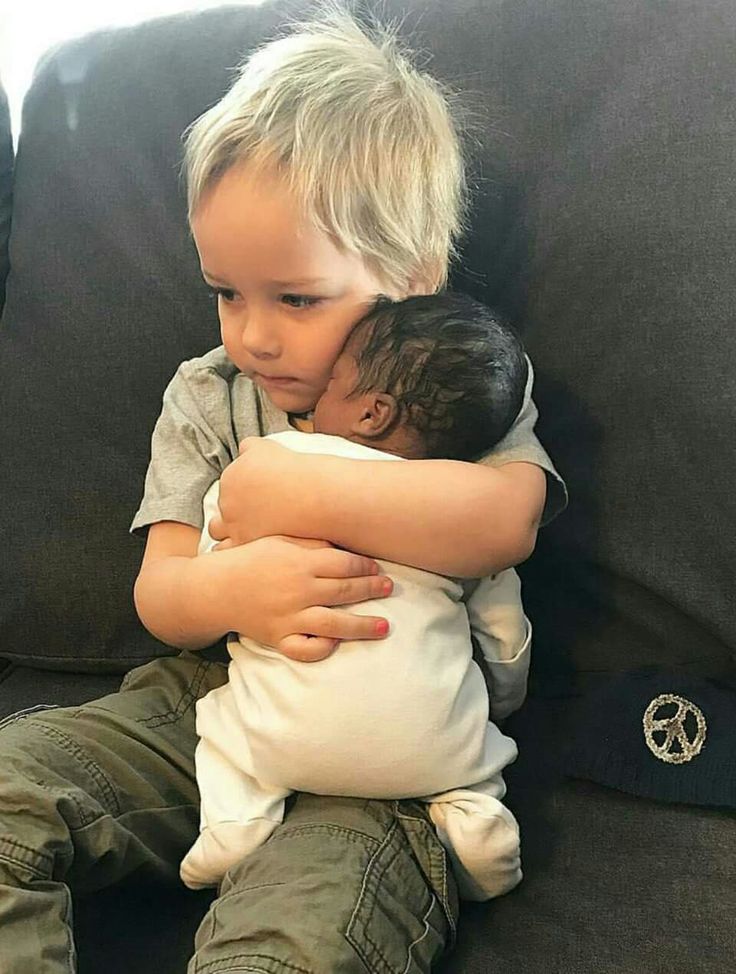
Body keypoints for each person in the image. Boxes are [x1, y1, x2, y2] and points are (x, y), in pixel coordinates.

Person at [0, 7, 566, 973]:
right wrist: (234, 589)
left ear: (410, 278)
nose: (252, 335)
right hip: (212, 704)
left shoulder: (457, 384)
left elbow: (503, 520)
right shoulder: (208, 394)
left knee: (287, 950)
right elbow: (163, 590)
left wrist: (288, 492)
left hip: (386, 771)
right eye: (226, 290)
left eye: (295, 298)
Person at [180, 292, 534, 902]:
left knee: (220, 726)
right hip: (433, 743)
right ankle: (472, 808)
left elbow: (213, 549)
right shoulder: (461, 504)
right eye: (227, 292)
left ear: (371, 413)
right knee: (467, 747)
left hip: (279, 738)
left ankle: (236, 817)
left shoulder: (272, 459)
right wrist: (501, 701)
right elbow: (502, 632)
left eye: (335, 382)